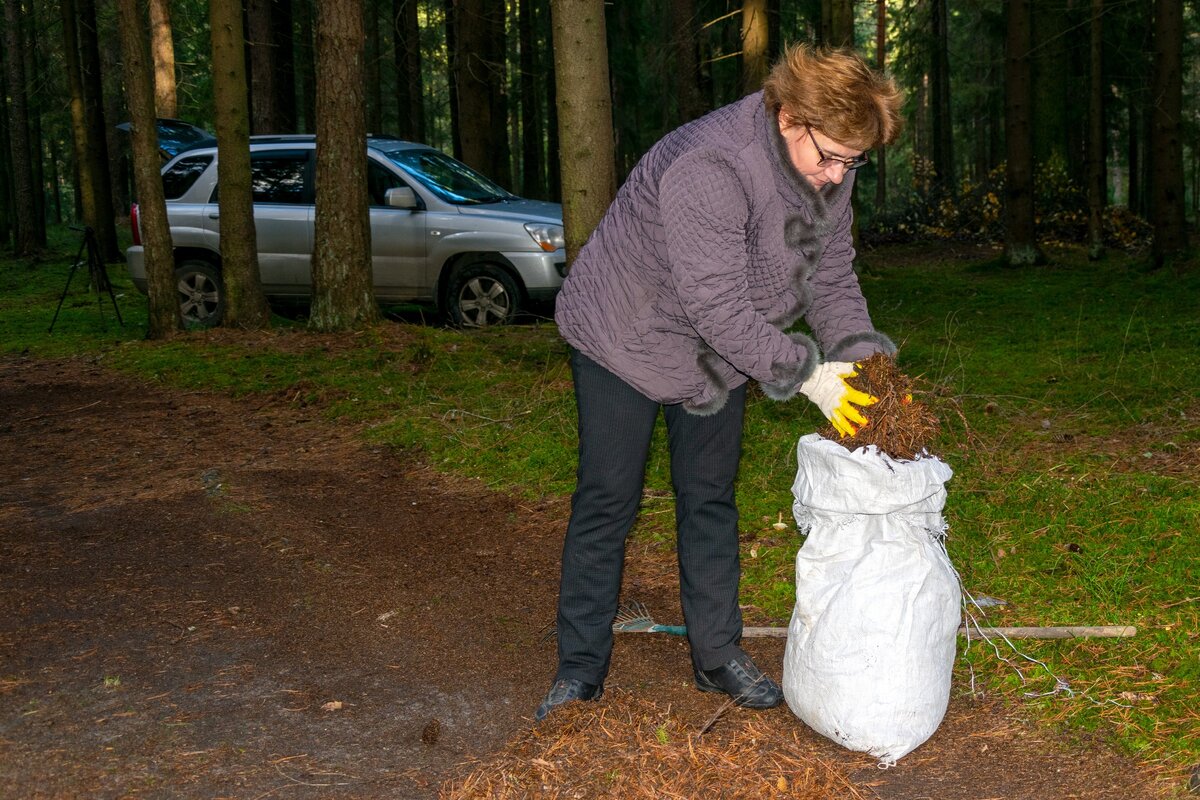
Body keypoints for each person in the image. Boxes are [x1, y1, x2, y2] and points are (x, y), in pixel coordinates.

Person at [537, 43, 904, 722]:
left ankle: (717, 656)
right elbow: (718, 307)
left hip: (722, 349)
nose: (836, 175)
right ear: (789, 115)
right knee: (608, 499)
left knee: (708, 496)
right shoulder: (713, 166)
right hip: (627, 329)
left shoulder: (831, 161)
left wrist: (860, 361)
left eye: (852, 163)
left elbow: (831, 272)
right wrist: (811, 379)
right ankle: (579, 668)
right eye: (828, 157)